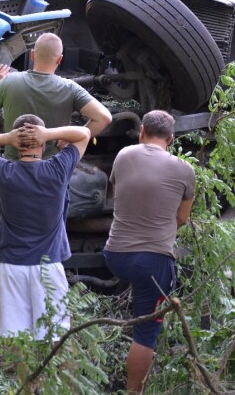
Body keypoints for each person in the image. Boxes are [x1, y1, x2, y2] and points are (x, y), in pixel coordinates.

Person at [0, 114, 91, 340]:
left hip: (10, 266)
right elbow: (84, 133)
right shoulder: (58, 169)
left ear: (15, 146)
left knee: (16, 337)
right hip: (48, 266)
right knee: (56, 336)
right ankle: (49, 375)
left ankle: (23, 376)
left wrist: (7, 137)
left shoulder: (4, 171)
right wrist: (49, 133)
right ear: (43, 143)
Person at [103, 110, 196, 394]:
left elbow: (118, 196)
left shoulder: (124, 155)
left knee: (139, 290)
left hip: (114, 254)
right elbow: (182, 218)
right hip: (153, 261)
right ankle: (134, 391)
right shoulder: (184, 169)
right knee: (146, 333)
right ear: (170, 138)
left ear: (142, 130)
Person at [0, 32, 111, 161]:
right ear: (59, 59)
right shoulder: (70, 88)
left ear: (32, 54)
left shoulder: (9, 81)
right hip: (53, 170)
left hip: (13, 170)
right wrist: (70, 139)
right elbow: (104, 118)